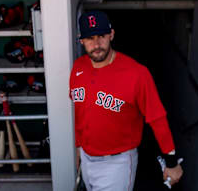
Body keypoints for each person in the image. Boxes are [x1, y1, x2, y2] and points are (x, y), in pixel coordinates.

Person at [70, 11, 183, 191]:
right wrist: (78, 146)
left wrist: (171, 161)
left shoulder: (137, 73)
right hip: (86, 157)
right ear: (81, 40)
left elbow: (157, 119)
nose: (97, 44)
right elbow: (79, 111)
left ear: (111, 35)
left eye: (101, 36)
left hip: (117, 163)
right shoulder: (78, 68)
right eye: (90, 38)